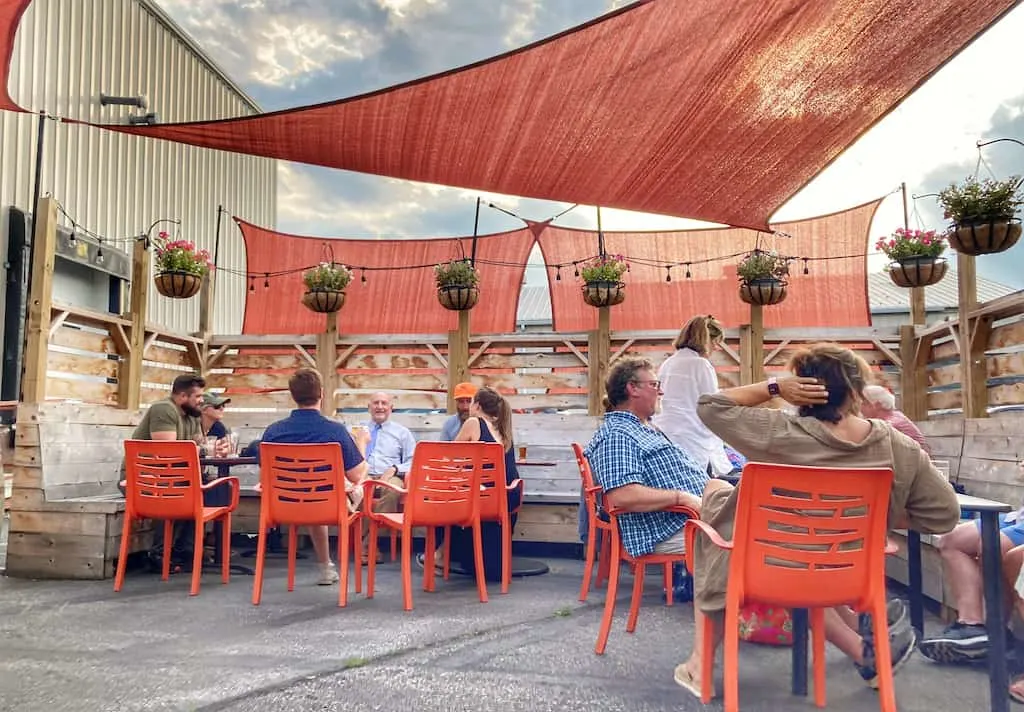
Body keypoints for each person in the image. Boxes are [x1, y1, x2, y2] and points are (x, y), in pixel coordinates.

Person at [673, 343, 961, 699]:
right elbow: (945, 514)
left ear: (802, 390)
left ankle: (700, 666)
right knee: (767, 530)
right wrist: (875, 516)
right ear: (856, 391)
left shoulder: (780, 432)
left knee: (715, 520)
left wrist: (774, 387)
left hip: (770, 567)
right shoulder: (898, 446)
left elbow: (711, 405)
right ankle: (866, 645)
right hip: (845, 573)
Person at [584, 357, 708, 559]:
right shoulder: (617, 435)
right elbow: (623, 496)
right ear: (632, 388)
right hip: (670, 529)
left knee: (763, 520)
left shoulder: (641, 428)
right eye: (654, 384)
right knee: (755, 538)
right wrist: (682, 498)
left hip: (693, 516)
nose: (661, 391)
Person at [261, 368, 368, 585]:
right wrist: (362, 445)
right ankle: (344, 559)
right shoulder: (334, 431)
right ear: (321, 394)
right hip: (325, 505)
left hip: (283, 506)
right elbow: (357, 474)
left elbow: (266, 475)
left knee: (311, 493)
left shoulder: (273, 432)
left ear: (293, 396)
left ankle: (326, 567)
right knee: (359, 482)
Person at [919, 460, 1024, 664]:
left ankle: (996, 633)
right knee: (950, 541)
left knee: (992, 545)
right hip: (1018, 517)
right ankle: (972, 627)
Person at [125, 374, 222, 568]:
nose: (202, 401)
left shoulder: (192, 415)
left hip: (171, 477)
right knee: (179, 489)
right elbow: (168, 452)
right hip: (142, 478)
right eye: (198, 396)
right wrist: (204, 450)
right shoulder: (164, 409)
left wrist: (216, 450)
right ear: (183, 396)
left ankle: (186, 551)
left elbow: (198, 448)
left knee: (210, 487)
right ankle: (159, 554)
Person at [445, 386, 523, 581]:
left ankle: (439, 555)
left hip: (485, 499)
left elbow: (451, 458)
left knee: (439, 498)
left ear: (477, 405)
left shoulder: (474, 423)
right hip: (507, 496)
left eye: (471, 402)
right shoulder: (503, 429)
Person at [653, 315, 733, 476]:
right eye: (715, 343)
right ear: (705, 340)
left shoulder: (668, 363)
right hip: (693, 440)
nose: (716, 348)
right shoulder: (701, 365)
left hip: (666, 435)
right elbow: (712, 405)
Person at [358, 391, 418, 563]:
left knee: (393, 491)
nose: (380, 407)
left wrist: (394, 468)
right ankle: (370, 546)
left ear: (391, 408)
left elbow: (413, 460)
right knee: (358, 491)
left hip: (390, 475)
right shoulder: (358, 430)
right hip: (364, 473)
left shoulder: (402, 432)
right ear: (369, 407)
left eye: (384, 403)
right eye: (375, 403)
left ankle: (367, 544)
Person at [860, 384, 932, 455]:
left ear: (877, 405)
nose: (860, 408)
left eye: (864, 404)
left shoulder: (890, 424)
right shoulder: (895, 416)